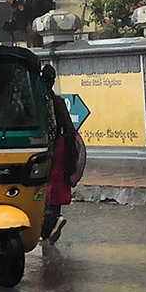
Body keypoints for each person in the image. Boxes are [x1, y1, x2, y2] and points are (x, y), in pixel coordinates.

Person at [41, 66, 80, 243]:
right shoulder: (58, 101)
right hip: (60, 147)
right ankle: (54, 218)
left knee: (44, 182)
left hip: (42, 147)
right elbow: (69, 128)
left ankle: (50, 222)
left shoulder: (36, 101)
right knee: (57, 182)